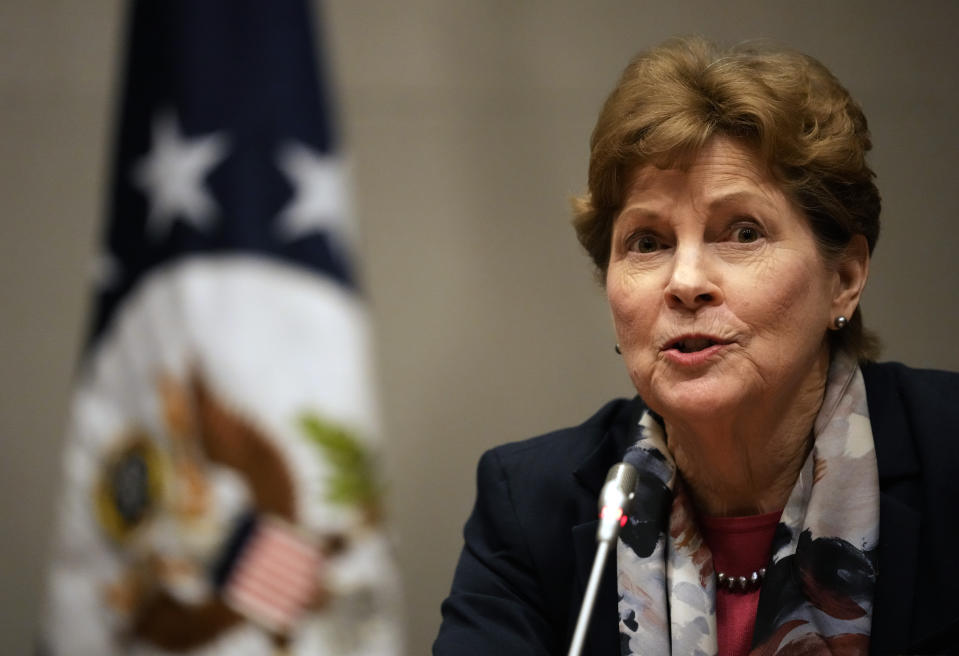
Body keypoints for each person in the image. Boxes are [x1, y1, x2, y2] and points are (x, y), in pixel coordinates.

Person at [433, 36, 959, 655]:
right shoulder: (530, 505)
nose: (684, 283)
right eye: (647, 243)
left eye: (742, 232)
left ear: (843, 279)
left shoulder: (948, 455)